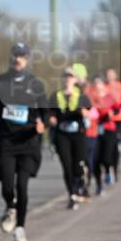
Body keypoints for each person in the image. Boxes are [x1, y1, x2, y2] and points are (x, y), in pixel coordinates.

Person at [0, 42, 47, 241]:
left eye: (22, 55)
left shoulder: (36, 84)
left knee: (22, 186)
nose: (18, 59)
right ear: (10, 58)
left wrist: (43, 124)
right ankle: (10, 205)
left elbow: (45, 112)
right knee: (8, 186)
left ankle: (20, 228)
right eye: (15, 55)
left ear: (27, 59)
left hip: (28, 142)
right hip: (6, 143)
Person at [48, 67, 91, 209]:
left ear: (75, 80)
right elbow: (49, 113)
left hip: (78, 134)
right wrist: (51, 119)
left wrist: (84, 113)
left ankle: (80, 184)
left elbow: (90, 112)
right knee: (67, 166)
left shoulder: (81, 96)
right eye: (65, 76)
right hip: (62, 135)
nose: (67, 79)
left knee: (78, 165)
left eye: (70, 76)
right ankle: (72, 194)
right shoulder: (56, 96)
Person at [90, 76, 121, 192]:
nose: (97, 87)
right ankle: (99, 184)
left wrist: (111, 113)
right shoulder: (91, 99)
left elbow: (117, 109)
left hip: (109, 129)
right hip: (94, 130)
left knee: (107, 155)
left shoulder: (109, 97)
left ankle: (108, 170)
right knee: (95, 159)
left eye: (99, 84)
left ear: (103, 86)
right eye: (95, 85)